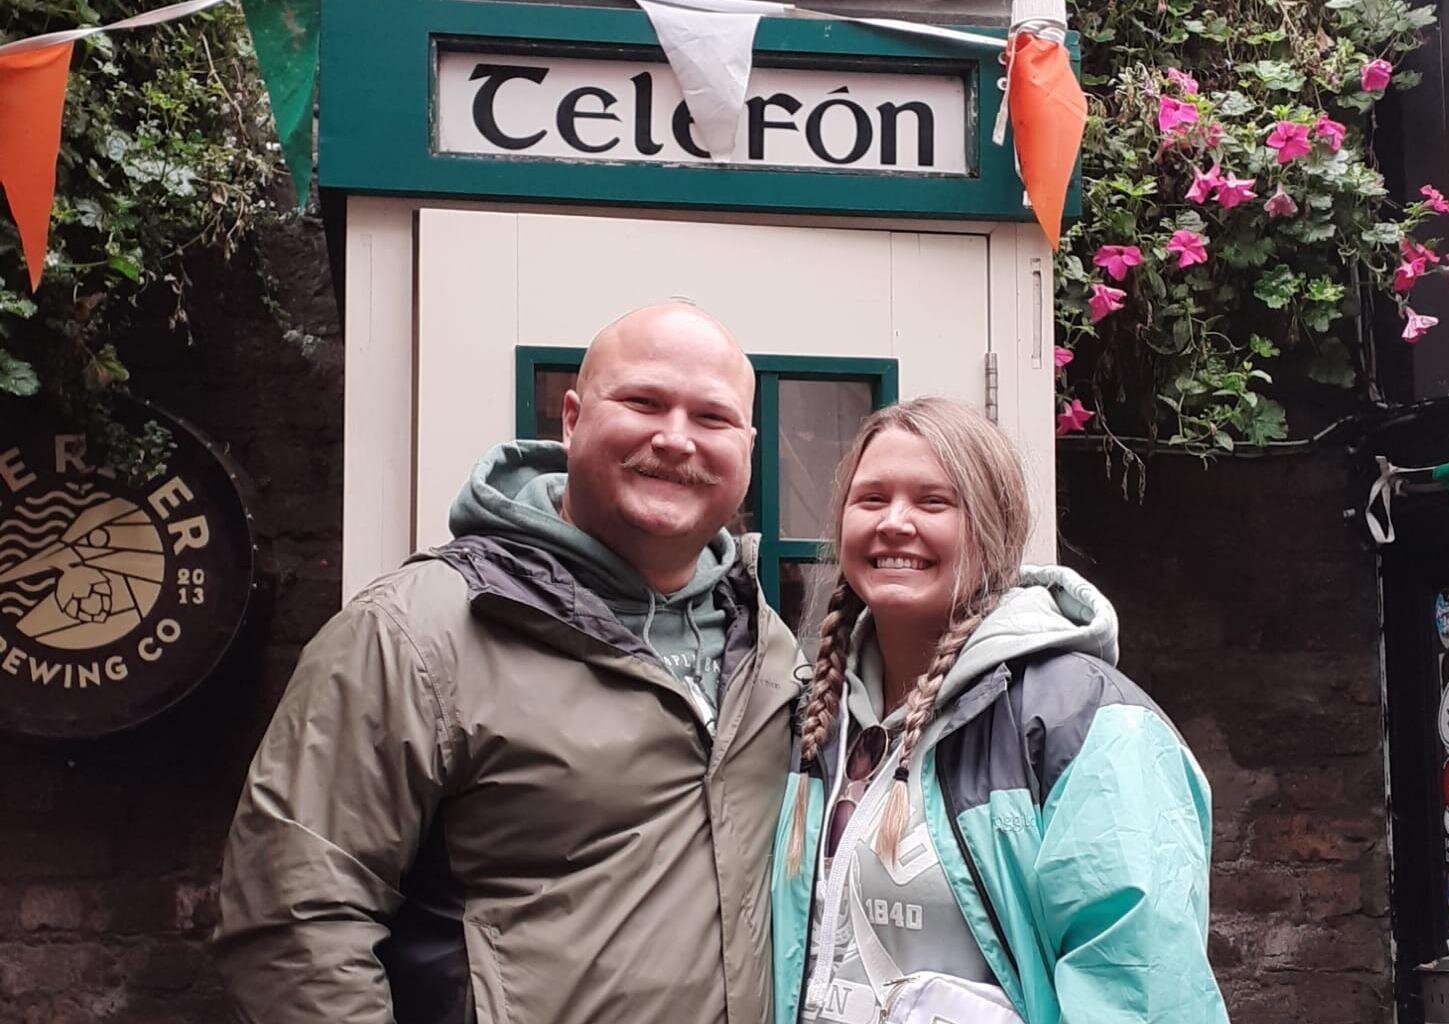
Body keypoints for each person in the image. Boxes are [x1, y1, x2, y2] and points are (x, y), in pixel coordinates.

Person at [213, 303, 804, 1024]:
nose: (675, 439)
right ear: (572, 419)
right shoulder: (415, 633)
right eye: (643, 402)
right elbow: (292, 919)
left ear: (747, 445)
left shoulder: (768, 646)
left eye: (711, 417)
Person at [767, 397, 1228, 1024]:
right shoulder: (817, 716)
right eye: (871, 498)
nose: (894, 522)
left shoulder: (1086, 724)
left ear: (994, 528)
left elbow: (1141, 992)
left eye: (933, 502)